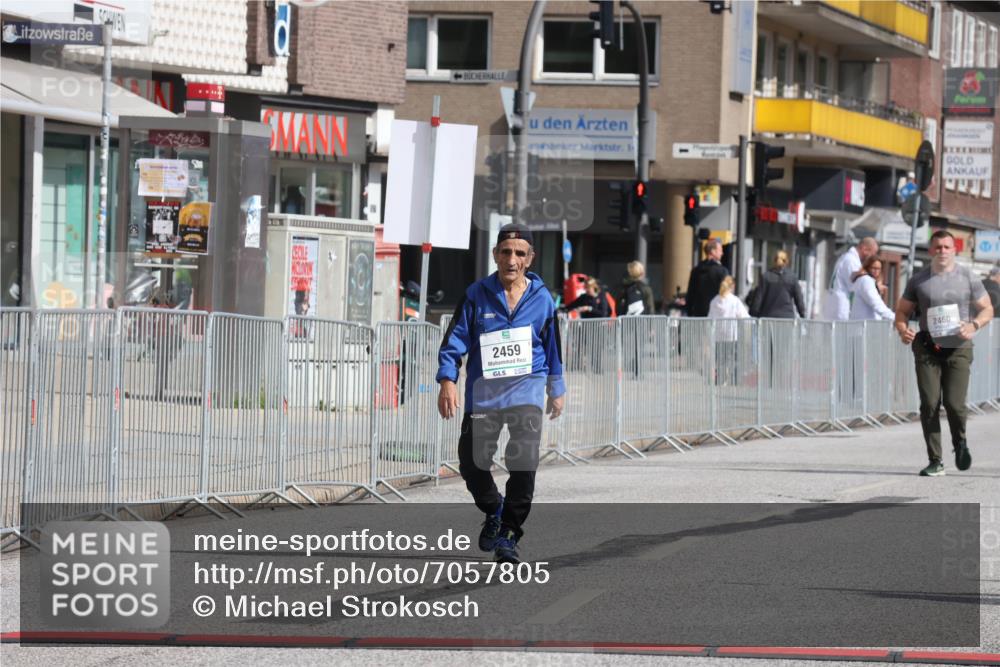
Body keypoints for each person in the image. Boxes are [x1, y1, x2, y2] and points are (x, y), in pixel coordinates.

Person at [437, 223, 565, 564]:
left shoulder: (542, 299)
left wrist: (557, 388)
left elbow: (553, 346)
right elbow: (454, 341)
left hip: (526, 392)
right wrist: (447, 379)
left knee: (522, 463)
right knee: (471, 462)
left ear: (530, 258)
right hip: (485, 395)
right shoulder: (476, 294)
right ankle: (495, 509)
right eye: (506, 252)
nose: (512, 260)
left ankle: (509, 533)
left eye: (520, 253)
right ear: (495, 254)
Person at [894, 230, 993, 477]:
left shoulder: (968, 277)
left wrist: (973, 325)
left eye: (947, 247)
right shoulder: (918, 280)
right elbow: (902, 312)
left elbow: (987, 309)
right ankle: (935, 460)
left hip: (958, 347)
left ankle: (960, 442)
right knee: (929, 403)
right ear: (931, 250)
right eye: (937, 247)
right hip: (927, 346)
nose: (942, 251)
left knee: (954, 404)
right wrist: (903, 330)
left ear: (954, 249)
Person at [823, 237, 879, 320]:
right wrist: (875, 286)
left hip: (835, 306)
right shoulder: (851, 261)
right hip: (841, 310)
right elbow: (860, 287)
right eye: (872, 254)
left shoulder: (845, 257)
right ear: (864, 249)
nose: (872, 259)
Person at [708, 276, 750, 385]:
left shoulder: (714, 301)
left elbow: (709, 318)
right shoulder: (734, 301)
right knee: (732, 359)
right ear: (732, 286)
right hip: (731, 335)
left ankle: (721, 379)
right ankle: (733, 380)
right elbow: (744, 316)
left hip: (718, 336)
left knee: (720, 359)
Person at [750, 250, 806, 319]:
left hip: (768, 317)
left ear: (774, 261)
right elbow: (799, 299)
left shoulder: (766, 276)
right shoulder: (792, 277)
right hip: (787, 317)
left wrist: (754, 313)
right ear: (787, 261)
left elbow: (758, 298)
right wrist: (803, 314)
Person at [685, 238, 730, 317]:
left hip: (698, 315)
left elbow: (690, 295)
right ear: (713, 251)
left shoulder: (696, 271)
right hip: (716, 315)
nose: (722, 253)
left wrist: (690, 313)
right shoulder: (722, 271)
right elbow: (726, 295)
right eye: (720, 250)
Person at [849, 256, 895, 321]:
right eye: (874, 268)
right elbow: (876, 304)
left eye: (878, 269)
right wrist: (895, 318)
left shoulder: (859, 280)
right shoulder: (866, 280)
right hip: (866, 324)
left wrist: (877, 289)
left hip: (859, 323)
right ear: (867, 267)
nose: (876, 271)